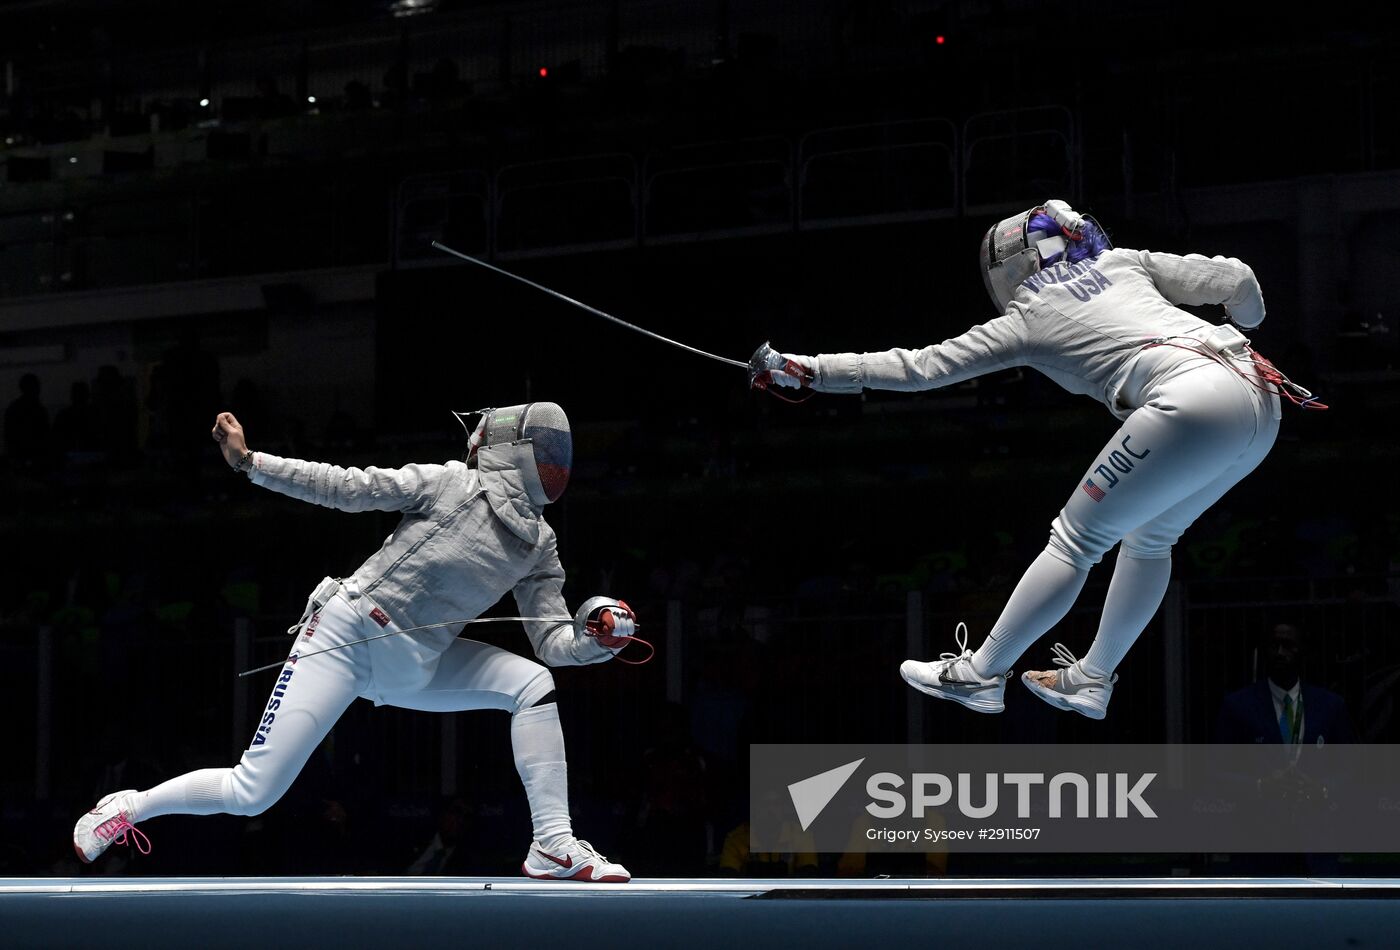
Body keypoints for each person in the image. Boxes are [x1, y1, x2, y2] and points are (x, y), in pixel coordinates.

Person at [753, 199, 1316, 720]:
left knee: (1075, 539)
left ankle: (981, 673)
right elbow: (1238, 279)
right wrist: (1246, 324)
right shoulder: (1123, 262)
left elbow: (919, 367)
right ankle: (1092, 678)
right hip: (1263, 396)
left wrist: (814, 370)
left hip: (1193, 400)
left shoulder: (1028, 316)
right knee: (1151, 537)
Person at [74, 402, 642, 881]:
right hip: (345, 635)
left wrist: (598, 633)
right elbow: (347, 486)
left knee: (533, 683)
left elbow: (553, 641)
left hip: (415, 666)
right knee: (253, 792)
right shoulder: (451, 483)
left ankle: (552, 844)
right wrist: (250, 462)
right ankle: (128, 807)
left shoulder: (538, 545)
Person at [1216, 623, 1354, 745]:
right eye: (1274, 646)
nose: (1280, 653)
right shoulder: (1237, 707)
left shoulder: (1330, 706)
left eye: (1288, 646)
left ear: (1301, 650)